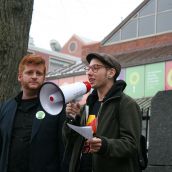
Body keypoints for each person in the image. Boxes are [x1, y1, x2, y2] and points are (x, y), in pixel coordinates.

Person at [62, 52, 141, 172]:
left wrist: (105, 145)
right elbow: (69, 140)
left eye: (95, 68)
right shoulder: (87, 105)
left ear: (111, 73)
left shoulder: (126, 104)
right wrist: (74, 118)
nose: (89, 73)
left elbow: (132, 145)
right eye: (88, 69)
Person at [0, 54, 65, 172]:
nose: (34, 76)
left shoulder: (55, 109)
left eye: (39, 73)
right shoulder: (5, 108)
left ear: (44, 78)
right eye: (29, 72)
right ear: (20, 76)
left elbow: (63, 148)